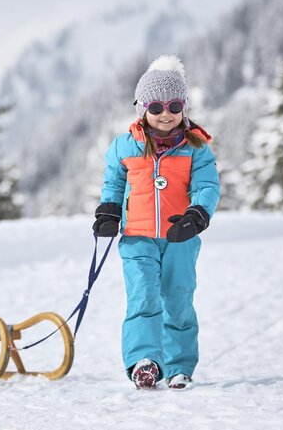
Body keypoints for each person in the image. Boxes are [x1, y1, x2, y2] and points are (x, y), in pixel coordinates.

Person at [93, 54, 221, 390]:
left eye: (175, 105)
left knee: (177, 299)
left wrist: (197, 215)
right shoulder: (124, 146)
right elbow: (114, 184)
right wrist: (108, 211)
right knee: (143, 297)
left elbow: (206, 186)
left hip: (180, 236)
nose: (166, 114)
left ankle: (179, 366)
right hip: (137, 236)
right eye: (156, 107)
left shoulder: (196, 148)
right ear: (141, 108)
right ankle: (144, 361)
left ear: (185, 107)